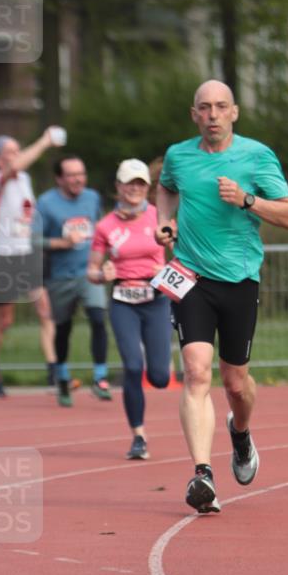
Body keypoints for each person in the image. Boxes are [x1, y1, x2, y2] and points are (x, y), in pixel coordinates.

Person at [155, 79, 288, 513]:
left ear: (234, 112)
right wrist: (165, 222)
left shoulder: (256, 156)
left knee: (236, 383)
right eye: (205, 108)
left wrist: (247, 199)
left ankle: (241, 434)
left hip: (239, 281)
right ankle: (203, 475)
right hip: (191, 277)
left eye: (221, 107)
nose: (213, 115)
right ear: (194, 114)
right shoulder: (179, 155)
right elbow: (165, 187)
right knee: (196, 373)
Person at [88, 159, 172, 459]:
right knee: (133, 367)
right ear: (118, 187)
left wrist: (169, 267)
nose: (134, 188)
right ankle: (138, 436)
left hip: (156, 299)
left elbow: (180, 250)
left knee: (161, 377)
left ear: (147, 187)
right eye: (129, 183)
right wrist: (102, 275)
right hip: (123, 301)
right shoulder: (105, 226)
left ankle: (162, 365)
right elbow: (92, 270)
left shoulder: (158, 215)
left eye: (140, 183)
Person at [0, 130, 60, 397]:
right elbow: (15, 166)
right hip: (3, 256)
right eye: (10, 152)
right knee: (4, 320)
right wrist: (45, 141)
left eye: (17, 149)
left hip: (27, 253)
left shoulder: (24, 178)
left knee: (45, 309)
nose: (16, 155)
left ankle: (54, 369)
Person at [36, 157, 111, 407]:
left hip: (88, 272)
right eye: (71, 175)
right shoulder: (46, 203)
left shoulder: (92, 198)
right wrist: (62, 243)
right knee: (63, 329)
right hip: (60, 276)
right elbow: (33, 240)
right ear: (59, 178)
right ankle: (63, 376)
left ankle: (100, 377)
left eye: (81, 173)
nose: (78, 179)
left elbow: (100, 228)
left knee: (98, 318)